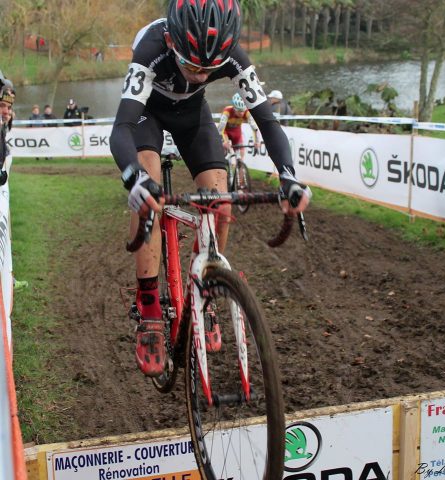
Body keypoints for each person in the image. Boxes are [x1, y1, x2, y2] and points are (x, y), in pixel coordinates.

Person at [110, 0, 311, 378]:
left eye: (210, 67)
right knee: (149, 192)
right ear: (171, 41)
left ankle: (208, 282)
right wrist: (133, 177)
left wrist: (288, 176)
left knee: (219, 200)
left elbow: (267, 121)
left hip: (192, 117)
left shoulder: (232, 54)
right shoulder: (151, 47)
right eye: (192, 64)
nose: (201, 74)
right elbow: (120, 128)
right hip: (145, 115)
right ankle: (150, 304)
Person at [218, 93, 260, 161]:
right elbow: (221, 128)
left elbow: (255, 128)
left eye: (243, 110)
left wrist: (257, 142)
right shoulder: (227, 111)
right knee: (224, 150)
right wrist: (223, 141)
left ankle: (240, 167)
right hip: (226, 132)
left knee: (241, 154)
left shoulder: (247, 112)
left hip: (236, 132)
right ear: (234, 108)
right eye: (239, 111)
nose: (241, 113)